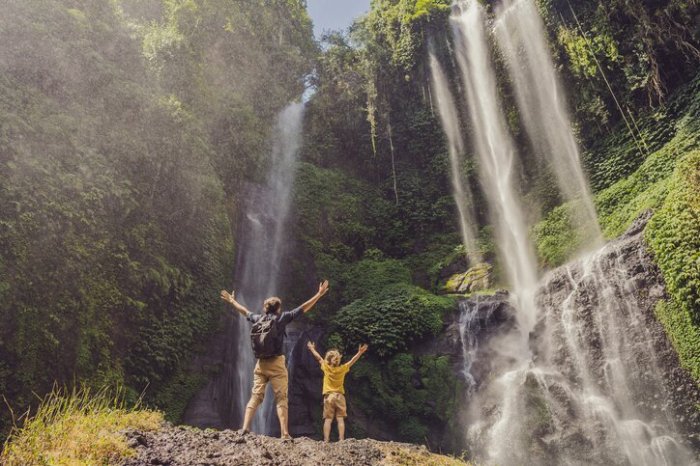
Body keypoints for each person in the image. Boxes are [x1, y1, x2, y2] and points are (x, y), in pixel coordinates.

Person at [220, 280, 329, 440]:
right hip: (277, 364)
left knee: (255, 396)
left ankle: (244, 428)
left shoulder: (258, 319)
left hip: (261, 364)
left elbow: (245, 311)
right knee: (281, 398)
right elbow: (303, 308)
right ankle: (285, 433)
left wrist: (232, 301)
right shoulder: (282, 318)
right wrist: (319, 294)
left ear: (265, 308)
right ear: (278, 308)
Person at [306, 341, 368, 442]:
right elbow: (352, 361)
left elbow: (318, 358)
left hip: (329, 396)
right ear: (338, 360)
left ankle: (326, 439)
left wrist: (312, 349)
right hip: (340, 396)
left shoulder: (326, 367)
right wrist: (360, 352)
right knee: (340, 419)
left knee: (328, 419)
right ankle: (341, 439)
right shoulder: (342, 369)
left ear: (328, 360)